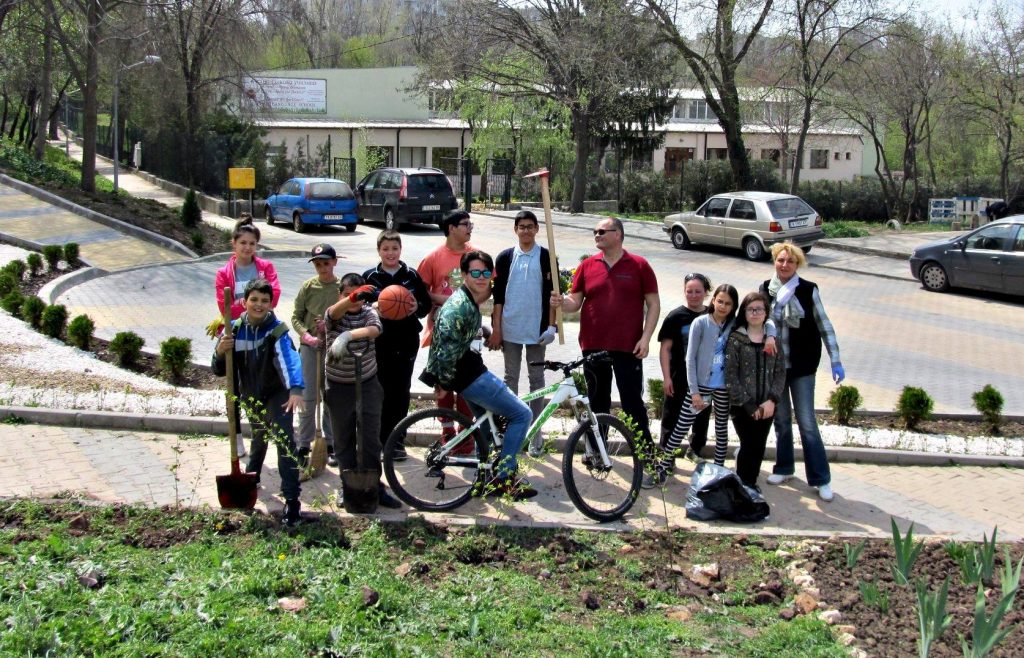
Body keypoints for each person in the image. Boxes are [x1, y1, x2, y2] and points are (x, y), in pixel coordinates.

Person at [419, 251, 536, 501]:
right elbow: (445, 349)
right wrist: (439, 383)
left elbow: (456, 338)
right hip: (469, 376)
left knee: (486, 422)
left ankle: (484, 477)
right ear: (463, 275)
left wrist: (481, 329)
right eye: (475, 273)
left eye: (485, 273)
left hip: (468, 373)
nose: (481, 278)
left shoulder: (465, 299)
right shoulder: (459, 306)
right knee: (522, 414)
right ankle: (503, 477)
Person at [552, 217, 660, 453]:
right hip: (593, 346)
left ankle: (646, 456)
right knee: (598, 403)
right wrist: (561, 302)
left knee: (632, 404)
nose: (597, 235)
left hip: (629, 347)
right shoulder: (587, 265)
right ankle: (597, 453)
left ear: (618, 234)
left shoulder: (639, 265)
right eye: (595, 232)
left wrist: (646, 337)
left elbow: (654, 304)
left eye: (602, 231)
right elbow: (575, 303)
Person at [212, 277, 305, 526]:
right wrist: (221, 350)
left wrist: (296, 388)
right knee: (259, 436)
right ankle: (251, 478)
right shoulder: (233, 329)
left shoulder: (277, 330)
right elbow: (218, 369)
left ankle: (292, 500)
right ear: (244, 301)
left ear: (271, 303)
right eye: (254, 299)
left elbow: (289, 360)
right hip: (250, 393)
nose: (259, 305)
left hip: (278, 394)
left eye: (265, 300)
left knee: (285, 441)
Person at [760, 241, 845, 502]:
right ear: (775, 261)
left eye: (790, 261)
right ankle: (784, 467)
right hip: (775, 369)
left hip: (802, 367)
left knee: (807, 423)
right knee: (782, 420)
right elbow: (757, 321)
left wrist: (836, 359)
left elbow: (824, 325)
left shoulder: (808, 290)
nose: (785, 265)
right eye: (781, 260)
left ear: (798, 264)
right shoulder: (765, 289)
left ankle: (821, 478)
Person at [647, 284, 740, 487]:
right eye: (720, 301)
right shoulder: (701, 323)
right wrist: (695, 391)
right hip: (703, 386)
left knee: (722, 428)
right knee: (681, 426)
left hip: (723, 387)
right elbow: (690, 359)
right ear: (713, 300)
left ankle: (718, 473)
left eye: (728, 303)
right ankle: (661, 468)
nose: (723, 306)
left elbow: (762, 322)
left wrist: (770, 334)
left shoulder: (735, 325)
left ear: (734, 306)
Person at [323, 273, 401, 509]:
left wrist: (348, 336)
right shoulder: (334, 314)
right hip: (338, 386)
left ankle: (374, 486)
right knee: (343, 439)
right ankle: (347, 486)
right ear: (340, 295)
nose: (354, 300)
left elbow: (374, 330)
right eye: (348, 295)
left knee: (369, 439)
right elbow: (332, 315)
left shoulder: (369, 313)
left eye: (358, 296)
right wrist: (349, 300)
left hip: (367, 383)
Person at [486, 210, 557, 457]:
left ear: (537, 229)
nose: (526, 230)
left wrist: (552, 326)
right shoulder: (505, 258)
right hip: (511, 329)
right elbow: (498, 297)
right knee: (510, 380)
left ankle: (536, 433)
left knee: (537, 381)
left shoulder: (547, 257)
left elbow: (553, 295)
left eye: (530, 226)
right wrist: (497, 328)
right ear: (515, 229)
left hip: (537, 330)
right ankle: (510, 432)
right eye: (521, 226)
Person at [212, 215, 281, 458]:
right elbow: (224, 305)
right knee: (234, 386)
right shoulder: (224, 273)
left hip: (261, 333)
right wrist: (250, 308)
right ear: (234, 243)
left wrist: (253, 306)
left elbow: (274, 295)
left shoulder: (265, 268)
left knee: (257, 383)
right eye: (243, 243)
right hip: (235, 332)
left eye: (252, 244)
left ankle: (259, 433)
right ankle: (236, 434)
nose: (247, 248)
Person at [363, 230, 431, 459]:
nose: (390, 253)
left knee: (400, 391)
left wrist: (415, 308)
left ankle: (397, 441)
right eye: (386, 249)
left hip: (406, 339)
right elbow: (358, 307)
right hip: (379, 341)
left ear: (400, 250)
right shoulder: (369, 277)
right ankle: (380, 440)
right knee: (379, 389)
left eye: (394, 248)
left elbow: (425, 305)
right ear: (378, 251)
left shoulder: (411, 275)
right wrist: (371, 308)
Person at [418, 210, 476, 431]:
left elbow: (486, 292)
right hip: (442, 333)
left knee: (467, 384)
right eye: (465, 224)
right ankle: (447, 434)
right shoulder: (432, 258)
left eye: (471, 224)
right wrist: (445, 300)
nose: (470, 228)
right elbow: (421, 294)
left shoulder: (476, 257)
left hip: (469, 332)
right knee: (444, 385)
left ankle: (466, 435)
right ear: (451, 228)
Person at [725, 292, 786, 491]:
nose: (755, 313)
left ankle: (752, 481)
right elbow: (731, 375)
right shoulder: (736, 339)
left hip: (767, 405)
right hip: (742, 406)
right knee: (748, 443)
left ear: (766, 312)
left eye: (759, 309)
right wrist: (748, 404)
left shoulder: (773, 340)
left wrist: (772, 400)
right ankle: (744, 483)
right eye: (751, 309)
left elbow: (780, 372)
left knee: (759, 445)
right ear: (744, 312)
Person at [291, 243, 340, 469]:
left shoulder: (340, 288)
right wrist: (306, 335)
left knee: (330, 397)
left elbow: (348, 314)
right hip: (311, 348)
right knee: (309, 397)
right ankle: (304, 443)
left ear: (334, 262)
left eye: (326, 263)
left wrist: (329, 326)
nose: (322, 268)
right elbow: (296, 317)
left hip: (333, 350)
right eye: (318, 264)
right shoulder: (308, 287)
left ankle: (330, 444)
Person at [656, 272, 712, 465]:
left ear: (706, 292)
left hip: (705, 378)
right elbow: (665, 349)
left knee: (701, 415)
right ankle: (667, 455)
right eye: (690, 291)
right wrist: (666, 377)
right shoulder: (675, 317)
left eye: (698, 291)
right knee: (671, 416)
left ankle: (694, 450)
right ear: (684, 292)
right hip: (678, 375)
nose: (694, 295)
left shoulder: (712, 314)